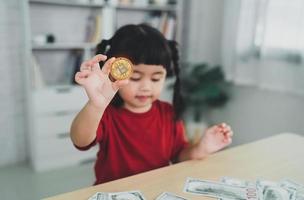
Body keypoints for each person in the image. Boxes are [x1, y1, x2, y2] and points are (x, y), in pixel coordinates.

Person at [70, 24, 233, 185]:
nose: (146, 87)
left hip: (155, 190)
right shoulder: (107, 113)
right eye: (135, 78)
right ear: (114, 73)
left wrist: (201, 148)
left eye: (156, 78)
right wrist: (96, 105)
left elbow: (178, 156)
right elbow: (80, 140)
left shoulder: (168, 112)